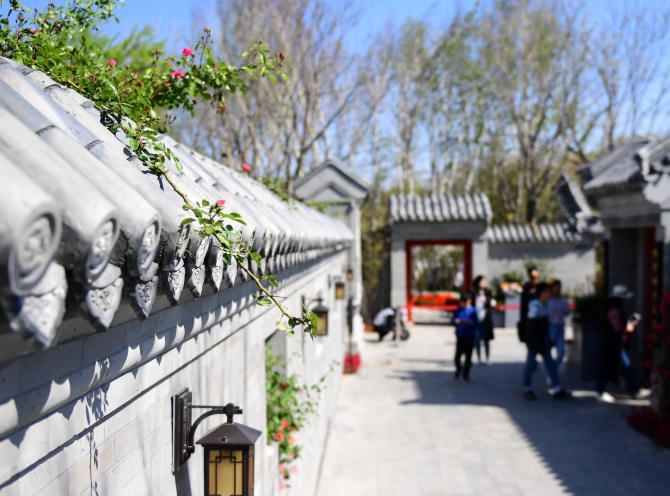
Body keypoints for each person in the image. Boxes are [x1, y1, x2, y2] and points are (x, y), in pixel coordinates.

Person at [595, 285, 647, 401]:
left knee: (625, 367)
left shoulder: (615, 309)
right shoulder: (613, 310)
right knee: (620, 366)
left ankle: (634, 390)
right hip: (613, 344)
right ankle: (634, 390)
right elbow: (617, 327)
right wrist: (629, 327)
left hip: (616, 344)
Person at [522, 282, 570, 400]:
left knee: (550, 364)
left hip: (543, 340)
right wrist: (532, 341)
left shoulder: (547, 304)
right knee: (530, 364)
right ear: (541, 293)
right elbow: (531, 326)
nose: (549, 293)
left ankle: (557, 388)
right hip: (535, 341)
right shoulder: (535, 306)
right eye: (547, 291)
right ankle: (527, 389)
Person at [451, 293, 478, 382]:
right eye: (463, 302)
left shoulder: (473, 311)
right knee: (457, 357)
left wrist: (472, 323)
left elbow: (477, 324)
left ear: (470, 301)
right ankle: (458, 369)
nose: (464, 303)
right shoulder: (458, 310)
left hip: (470, 337)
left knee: (468, 358)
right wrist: (455, 321)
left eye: (466, 301)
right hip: (460, 336)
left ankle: (466, 375)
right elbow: (452, 321)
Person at [471, 275, 496, 365]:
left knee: (486, 339)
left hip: (485, 319)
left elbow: (492, 303)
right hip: (476, 319)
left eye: (485, 281)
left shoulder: (487, 292)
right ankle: (478, 358)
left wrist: (491, 302)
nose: (484, 283)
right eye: (482, 281)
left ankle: (487, 358)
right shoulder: (473, 292)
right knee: (477, 339)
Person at [547, 279, 570, 371]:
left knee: (561, 353)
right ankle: (551, 373)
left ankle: (552, 371)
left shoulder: (562, 300)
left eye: (559, 287)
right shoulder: (548, 299)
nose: (558, 289)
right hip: (550, 327)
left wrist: (564, 304)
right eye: (556, 287)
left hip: (560, 327)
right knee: (547, 353)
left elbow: (567, 312)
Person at [518, 267, 541, 343]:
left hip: (541, 321)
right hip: (530, 321)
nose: (535, 280)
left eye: (536, 277)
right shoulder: (526, 288)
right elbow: (524, 307)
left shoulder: (542, 287)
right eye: (532, 277)